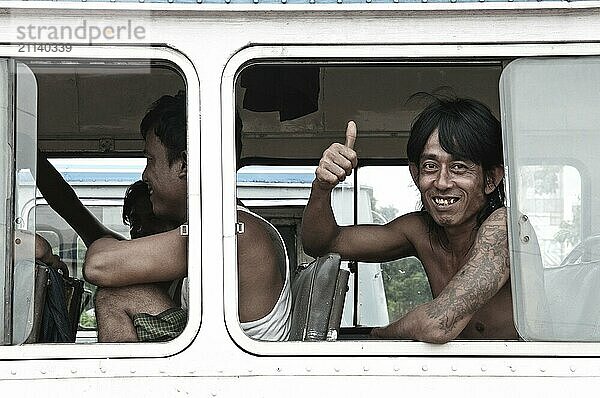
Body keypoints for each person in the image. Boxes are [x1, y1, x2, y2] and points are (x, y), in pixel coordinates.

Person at [301, 96, 517, 343]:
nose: (442, 183)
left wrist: (378, 335)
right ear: (415, 175)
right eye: (430, 167)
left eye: (459, 168)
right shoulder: (420, 229)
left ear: (491, 178)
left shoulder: (503, 228)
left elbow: (437, 325)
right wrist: (322, 186)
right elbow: (321, 244)